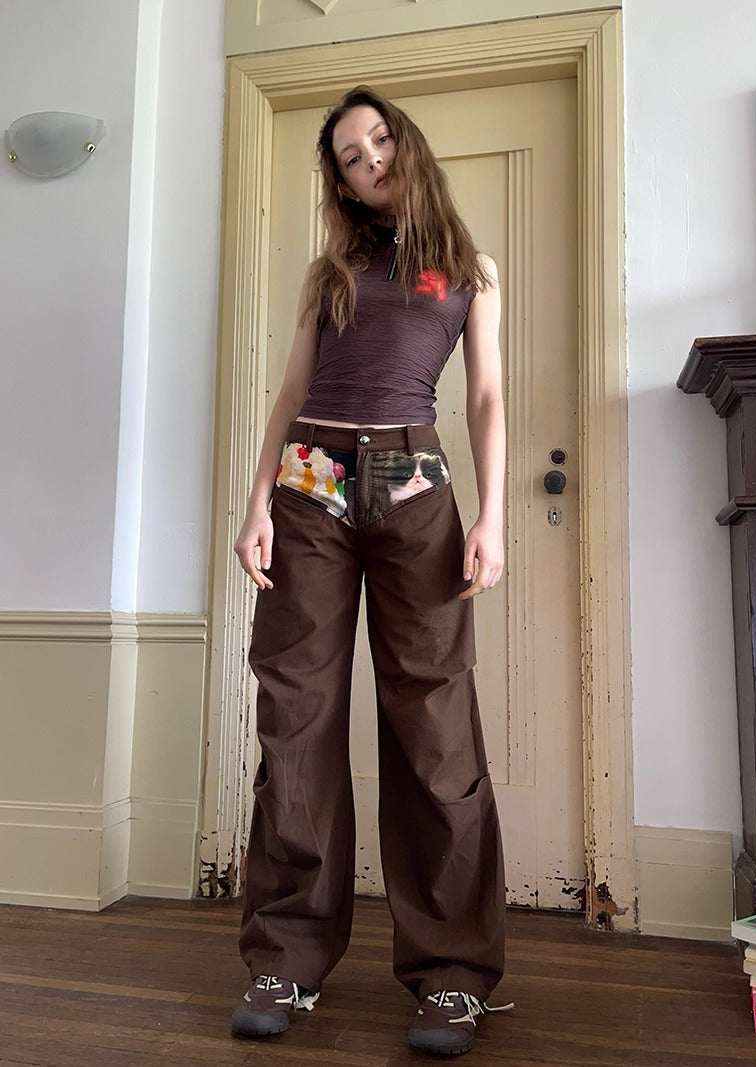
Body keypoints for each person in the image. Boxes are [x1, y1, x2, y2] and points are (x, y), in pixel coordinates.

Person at [229, 85, 510, 1058]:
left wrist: (493, 515)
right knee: (295, 714)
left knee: (433, 722)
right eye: (350, 156)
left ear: (405, 142)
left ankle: (452, 971)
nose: (370, 159)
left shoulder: (469, 266)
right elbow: (291, 391)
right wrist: (257, 502)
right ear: (342, 182)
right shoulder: (331, 272)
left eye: (378, 139)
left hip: (411, 476)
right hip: (311, 475)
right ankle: (285, 958)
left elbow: (485, 395)